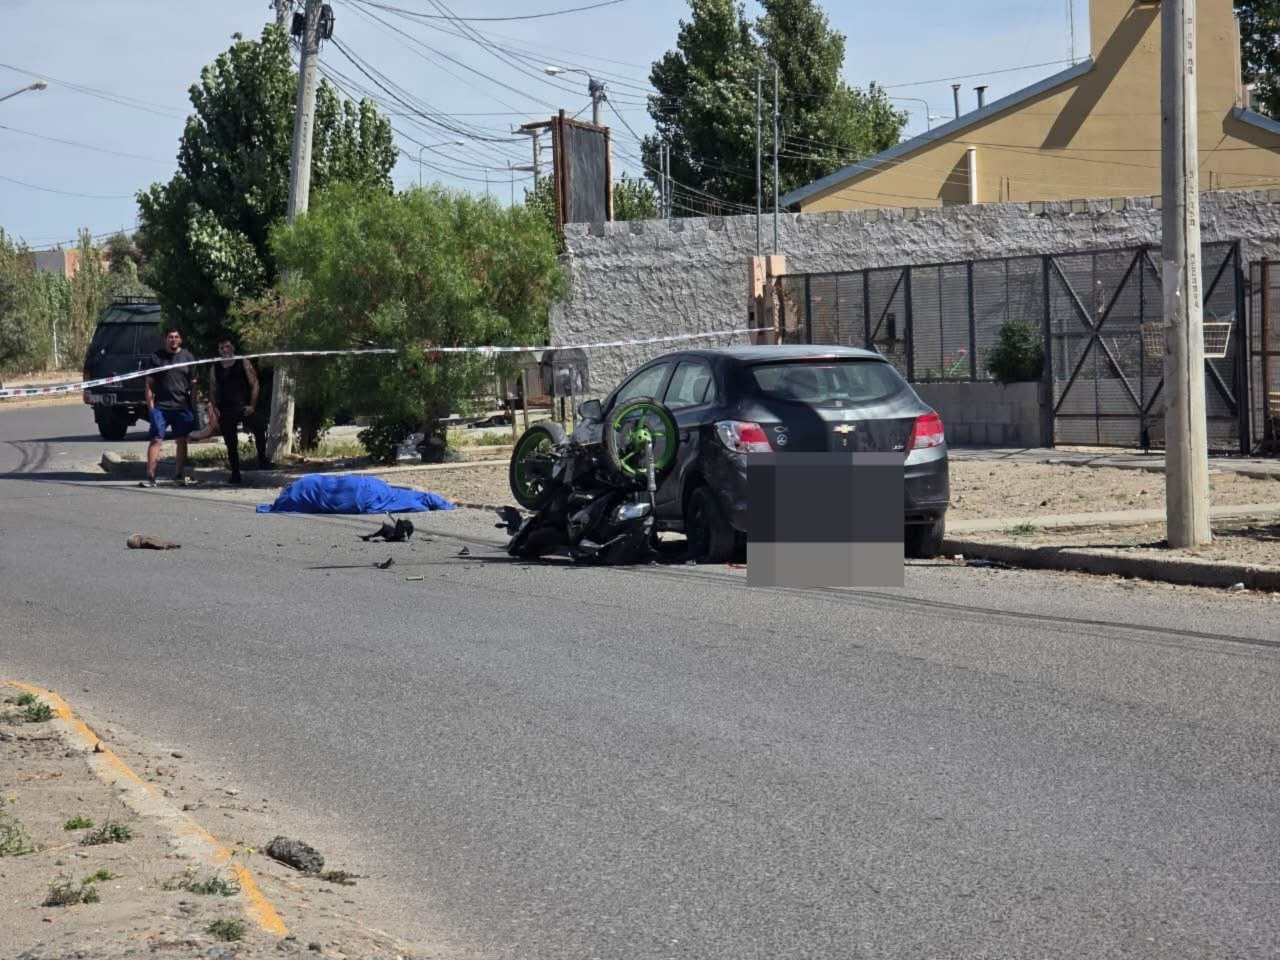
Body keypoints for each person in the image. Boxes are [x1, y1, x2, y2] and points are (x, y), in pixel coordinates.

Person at [206, 332, 269, 484]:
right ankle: (235, 472)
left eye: (227, 347)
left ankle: (262, 460)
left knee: (260, 425)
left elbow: (255, 384)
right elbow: (213, 389)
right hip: (226, 409)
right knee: (230, 441)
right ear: (218, 350)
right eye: (222, 348)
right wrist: (215, 408)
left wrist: (252, 406)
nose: (225, 350)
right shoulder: (215, 367)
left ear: (232, 347)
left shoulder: (243, 362)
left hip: (244, 407)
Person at [142, 327, 199, 487]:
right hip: (161, 407)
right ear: (165, 339)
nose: (173, 340)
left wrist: (193, 407)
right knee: (156, 439)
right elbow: (149, 385)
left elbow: (194, 384)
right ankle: (151, 476)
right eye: (170, 337)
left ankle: (179, 475)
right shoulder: (156, 358)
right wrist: (151, 408)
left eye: (176, 337)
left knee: (181, 441)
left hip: (181, 406)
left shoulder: (188, 357)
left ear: (180, 339)